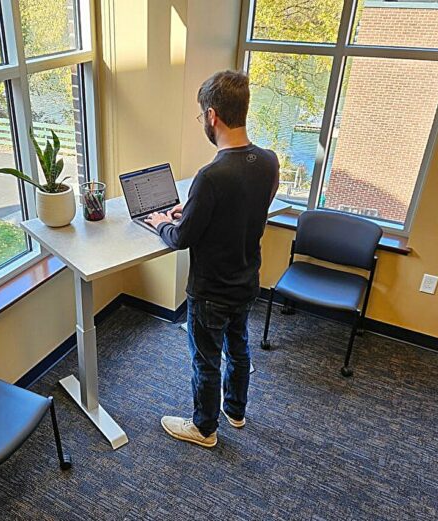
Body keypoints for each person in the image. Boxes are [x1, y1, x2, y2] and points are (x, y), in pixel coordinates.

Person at [145, 70, 280, 447]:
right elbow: (248, 208)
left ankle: (204, 428)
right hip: (246, 280)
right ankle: (235, 410)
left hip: (210, 291)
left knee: (205, 360)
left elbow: (182, 239)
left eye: (202, 113)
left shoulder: (211, 176)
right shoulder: (269, 161)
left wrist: (161, 223)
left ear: (212, 116)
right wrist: (191, 210)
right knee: (238, 348)